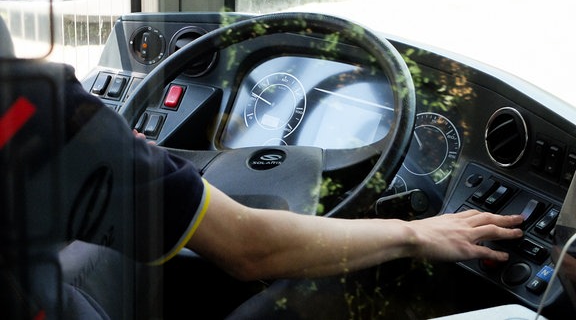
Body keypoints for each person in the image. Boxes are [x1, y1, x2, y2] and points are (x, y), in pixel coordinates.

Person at [4, 55, 524, 319]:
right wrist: (414, 233)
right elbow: (249, 248)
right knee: (379, 278)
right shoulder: (36, 103)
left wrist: (131, 159)